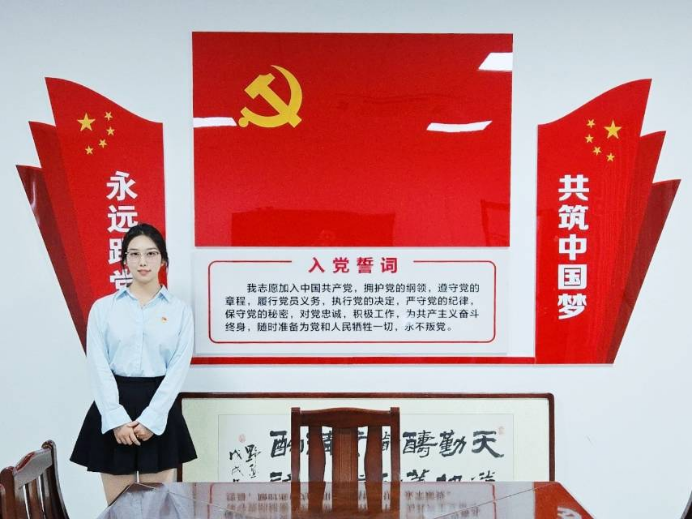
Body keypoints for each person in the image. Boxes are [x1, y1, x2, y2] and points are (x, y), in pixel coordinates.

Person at [70, 223, 197, 504]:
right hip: (114, 406)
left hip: (159, 409)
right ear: (124, 260)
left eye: (151, 254)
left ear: (163, 260)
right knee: (119, 509)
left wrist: (153, 419)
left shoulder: (180, 311)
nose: (143, 261)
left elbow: (178, 369)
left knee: (158, 510)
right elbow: (98, 366)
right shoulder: (104, 308)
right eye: (135, 254)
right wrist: (116, 419)